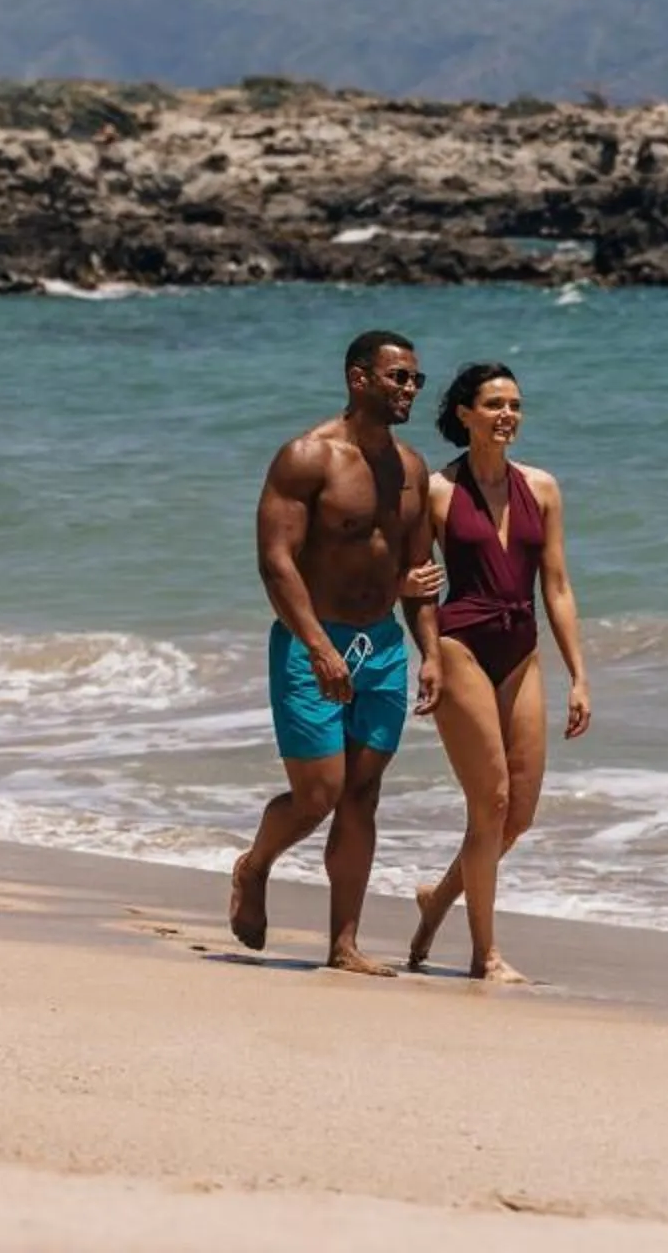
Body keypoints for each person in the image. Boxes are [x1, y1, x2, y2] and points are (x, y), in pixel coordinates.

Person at [227, 329, 440, 974]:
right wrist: (318, 647)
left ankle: (344, 946)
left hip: (384, 646)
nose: (409, 389)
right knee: (319, 793)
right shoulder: (307, 457)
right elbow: (276, 563)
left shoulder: (411, 470)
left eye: (415, 380)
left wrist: (429, 652)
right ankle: (255, 865)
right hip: (311, 640)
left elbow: (420, 573)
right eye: (399, 377)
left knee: (362, 794)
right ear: (359, 378)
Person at [404, 360, 593, 982]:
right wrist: (428, 653)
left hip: (521, 648)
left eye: (514, 405)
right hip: (460, 644)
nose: (507, 415)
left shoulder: (542, 487)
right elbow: (417, 584)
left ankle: (437, 900)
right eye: (494, 405)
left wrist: (579, 675)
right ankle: (485, 954)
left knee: (519, 814)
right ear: (465, 415)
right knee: (490, 801)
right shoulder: (436, 490)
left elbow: (557, 586)